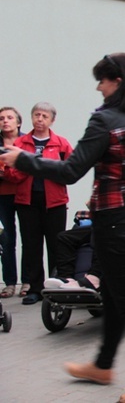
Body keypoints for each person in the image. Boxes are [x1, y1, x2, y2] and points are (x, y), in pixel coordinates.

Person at [0, 53, 125, 403]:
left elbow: (69, 171)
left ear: (119, 82)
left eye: (103, 80)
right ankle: (102, 365)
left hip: (114, 221)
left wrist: (23, 159)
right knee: (113, 294)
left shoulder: (105, 120)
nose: (99, 86)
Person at [4, 102, 73, 305]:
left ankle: (55, 287)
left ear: (52, 120)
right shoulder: (21, 143)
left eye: (44, 116)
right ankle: (35, 288)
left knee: (56, 245)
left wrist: (45, 166)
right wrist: (30, 164)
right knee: (31, 245)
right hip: (27, 202)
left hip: (55, 202)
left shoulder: (61, 143)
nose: (40, 119)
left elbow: (71, 171)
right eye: (36, 115)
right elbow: (11, 174)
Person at [43, 208, 102, 291]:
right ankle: (66, 278)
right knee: (64, 237)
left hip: (117, 226)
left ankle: (94, 277)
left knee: (100, 235)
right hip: (99, 224)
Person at [0, 106, 24, 298]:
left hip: (24, 194)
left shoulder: (26, 142)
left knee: (29, 238)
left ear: (18, 122)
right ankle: (9, 283)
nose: (5, 121)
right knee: (7, 238)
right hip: (2, 195)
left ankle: (28, 281)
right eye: (2, 118)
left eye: (9, 117)